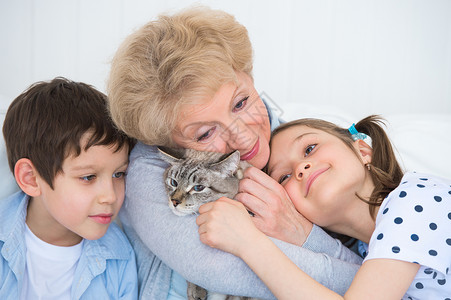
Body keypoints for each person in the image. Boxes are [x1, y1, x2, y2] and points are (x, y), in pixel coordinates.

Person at [107, 6, 363, 299]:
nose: (242, 137)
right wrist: (370, 277)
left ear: (249, 77)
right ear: (165, 142)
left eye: (240, 103)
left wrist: (303, 235)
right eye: (205, 133)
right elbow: (223, 269)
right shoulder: (151, 171)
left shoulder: (304, 144)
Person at [197, 115, 451, 299]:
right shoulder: (367, 253)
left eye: (309, 148)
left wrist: (248, 243)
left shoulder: (415, 200)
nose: (300, 167)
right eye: (283, 177)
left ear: (363, 150)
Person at [0, 77, 138, 299]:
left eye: (119, 174)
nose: (110, 196)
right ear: (31, 179)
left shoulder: (120, 257)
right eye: (88, 177)